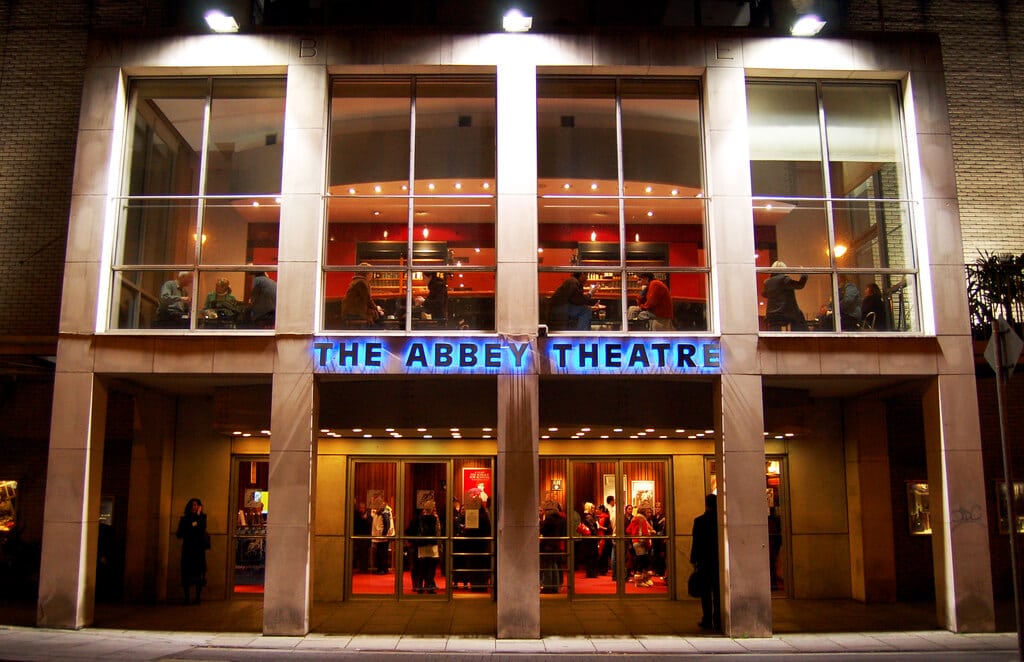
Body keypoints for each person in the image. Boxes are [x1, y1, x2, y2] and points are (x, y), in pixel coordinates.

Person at [691, 493, 720, 630]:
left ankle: (707, 618)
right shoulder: (720, 521)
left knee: (705, 592)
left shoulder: (700, 521)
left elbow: (696, 542)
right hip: (717, 560)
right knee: (718, 590)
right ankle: (718, 618)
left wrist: (694, 559)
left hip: (703, 560)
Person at [175, 497, 208, 605]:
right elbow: (180, 533)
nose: (194, 507)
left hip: (198, 549)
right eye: (193, 505)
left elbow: (201, 529)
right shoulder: (185, 518)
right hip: (188, 548)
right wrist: (193, 526)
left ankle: (198, 597)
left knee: (198, 573)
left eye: (196, 505)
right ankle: (187, 598)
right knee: (186, 573)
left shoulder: (202, 518)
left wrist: (197, 519)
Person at [406, 500, 441, 593]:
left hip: (421, 545)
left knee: (420, 567)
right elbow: (438, 533)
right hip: (432, 545)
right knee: (430, 567)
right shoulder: (434, 519)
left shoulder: (417, 519)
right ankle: (429, 586)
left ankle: (419, 586)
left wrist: (411, 541)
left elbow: (409, 531)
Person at [761, 261, 808, 331]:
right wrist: (804, 274)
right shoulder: (784, 279)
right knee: (799, 316)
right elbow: (800, 285)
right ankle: (800, 339)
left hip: (771, 315)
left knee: (775, 331)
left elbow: (764, 294)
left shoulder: (767, 282)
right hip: (785, 313)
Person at [539, 500, 567, 593]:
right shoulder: (562, 519)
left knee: (548, 567)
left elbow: (543, 530)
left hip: (548, 545)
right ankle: (555, 586)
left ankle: (548, 587)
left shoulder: (549, 520)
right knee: (555, 566)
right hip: (558, 545)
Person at [626, 509, 654, 587]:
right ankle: (639, 581)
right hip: (641, 542)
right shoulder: (642, 519)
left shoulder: (634, 518)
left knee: (643, 560)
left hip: (635, 542)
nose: (649, 514)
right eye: (647, 512)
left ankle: (643, 579)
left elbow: (628, 530)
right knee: (641, 561)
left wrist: (634, 535)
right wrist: (648, 544)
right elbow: (645, 533)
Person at [371, 498, 395, 574]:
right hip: (380, 536)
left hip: (382, 537)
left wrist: (383, 535)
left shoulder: (384, 511)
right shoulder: (382, 511)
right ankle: (382, 569)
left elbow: (387, 524)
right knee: (381, 553)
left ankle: (382, 569)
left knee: (382, 554)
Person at [352, 501, 372, 574]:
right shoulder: (356, 515)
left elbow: (369, 527)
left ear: (365, 508)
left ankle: (364, 568)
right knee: (358, 553)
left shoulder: (368, 516)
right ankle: (359, 567)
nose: (361, 509)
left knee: (364, 554)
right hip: (357, 536)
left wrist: (365, 519)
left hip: (365, 538)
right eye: (360, 508)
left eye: (363, 508)